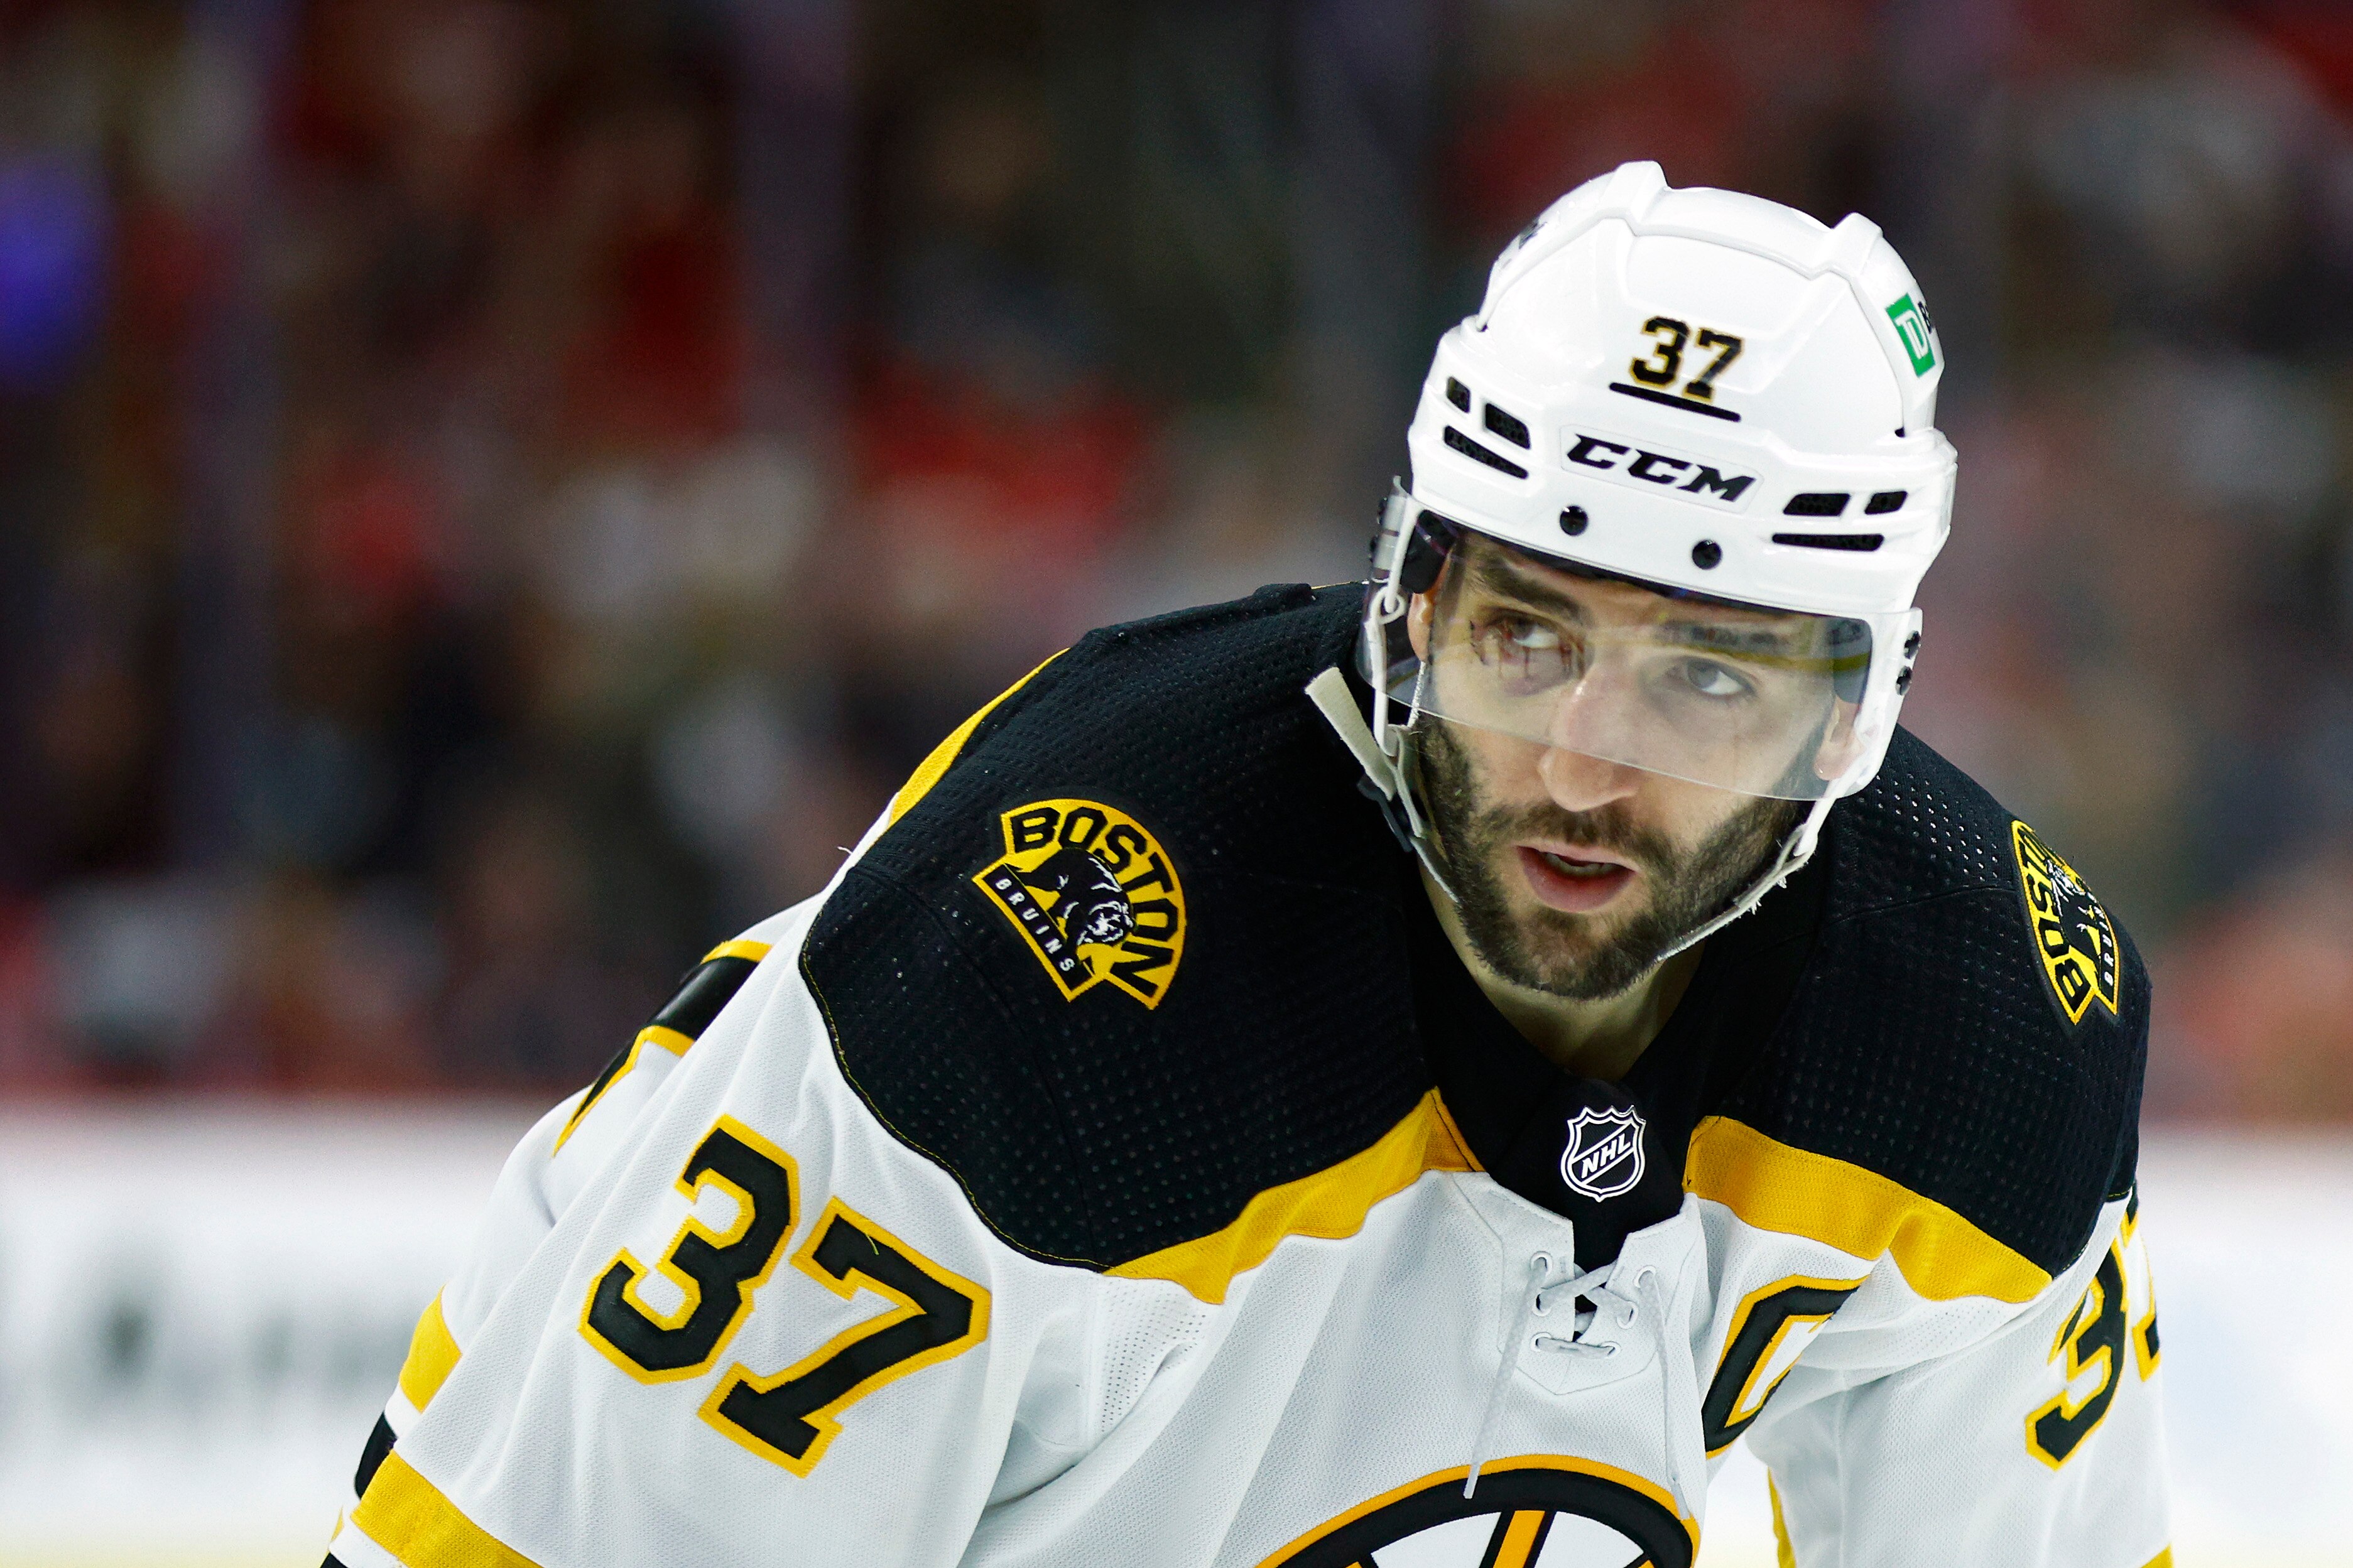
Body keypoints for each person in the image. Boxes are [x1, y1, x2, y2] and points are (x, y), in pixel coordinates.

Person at [325, 163, 2166, 1568]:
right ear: (1410, 594)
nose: (1586, 759)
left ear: (1854, 712)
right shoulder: (1046, 966)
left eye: (1704, 672)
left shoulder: (1987, 1031)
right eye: (1527, 632)